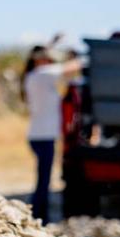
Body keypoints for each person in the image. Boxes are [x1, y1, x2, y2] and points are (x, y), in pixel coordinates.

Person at [21, 45, 83, 223]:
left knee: (43, 181)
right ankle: (38, 218)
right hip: (43, 137)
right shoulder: (42, 74)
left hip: (40, 136)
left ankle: (40, 216)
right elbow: (74, 67)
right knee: (43, 182)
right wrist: (78, 57)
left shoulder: (34, 76)